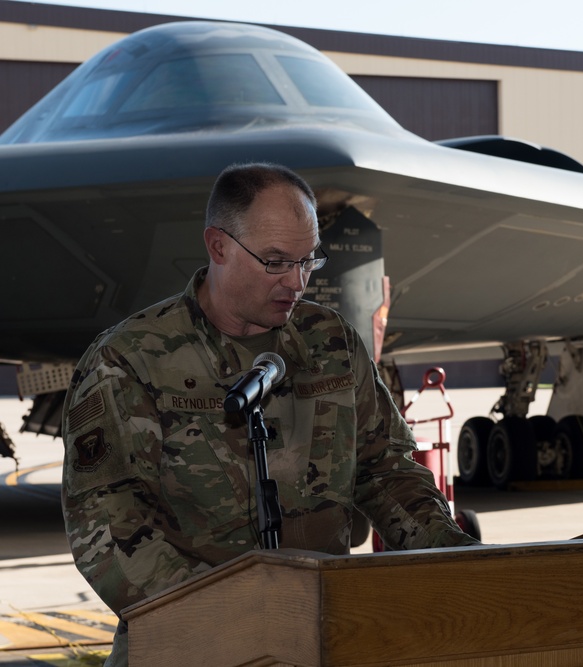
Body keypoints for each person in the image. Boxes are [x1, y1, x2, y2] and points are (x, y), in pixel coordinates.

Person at [61, 162, 478, 665]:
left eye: (308, 261)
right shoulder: (130, 360)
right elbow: (106, 528)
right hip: (188, 644)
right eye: (276, 261)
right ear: (218, 246)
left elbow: (384, 470)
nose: (297, 282)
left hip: (321, 636)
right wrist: (240, 619)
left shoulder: (331, 342)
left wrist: (456, 558)